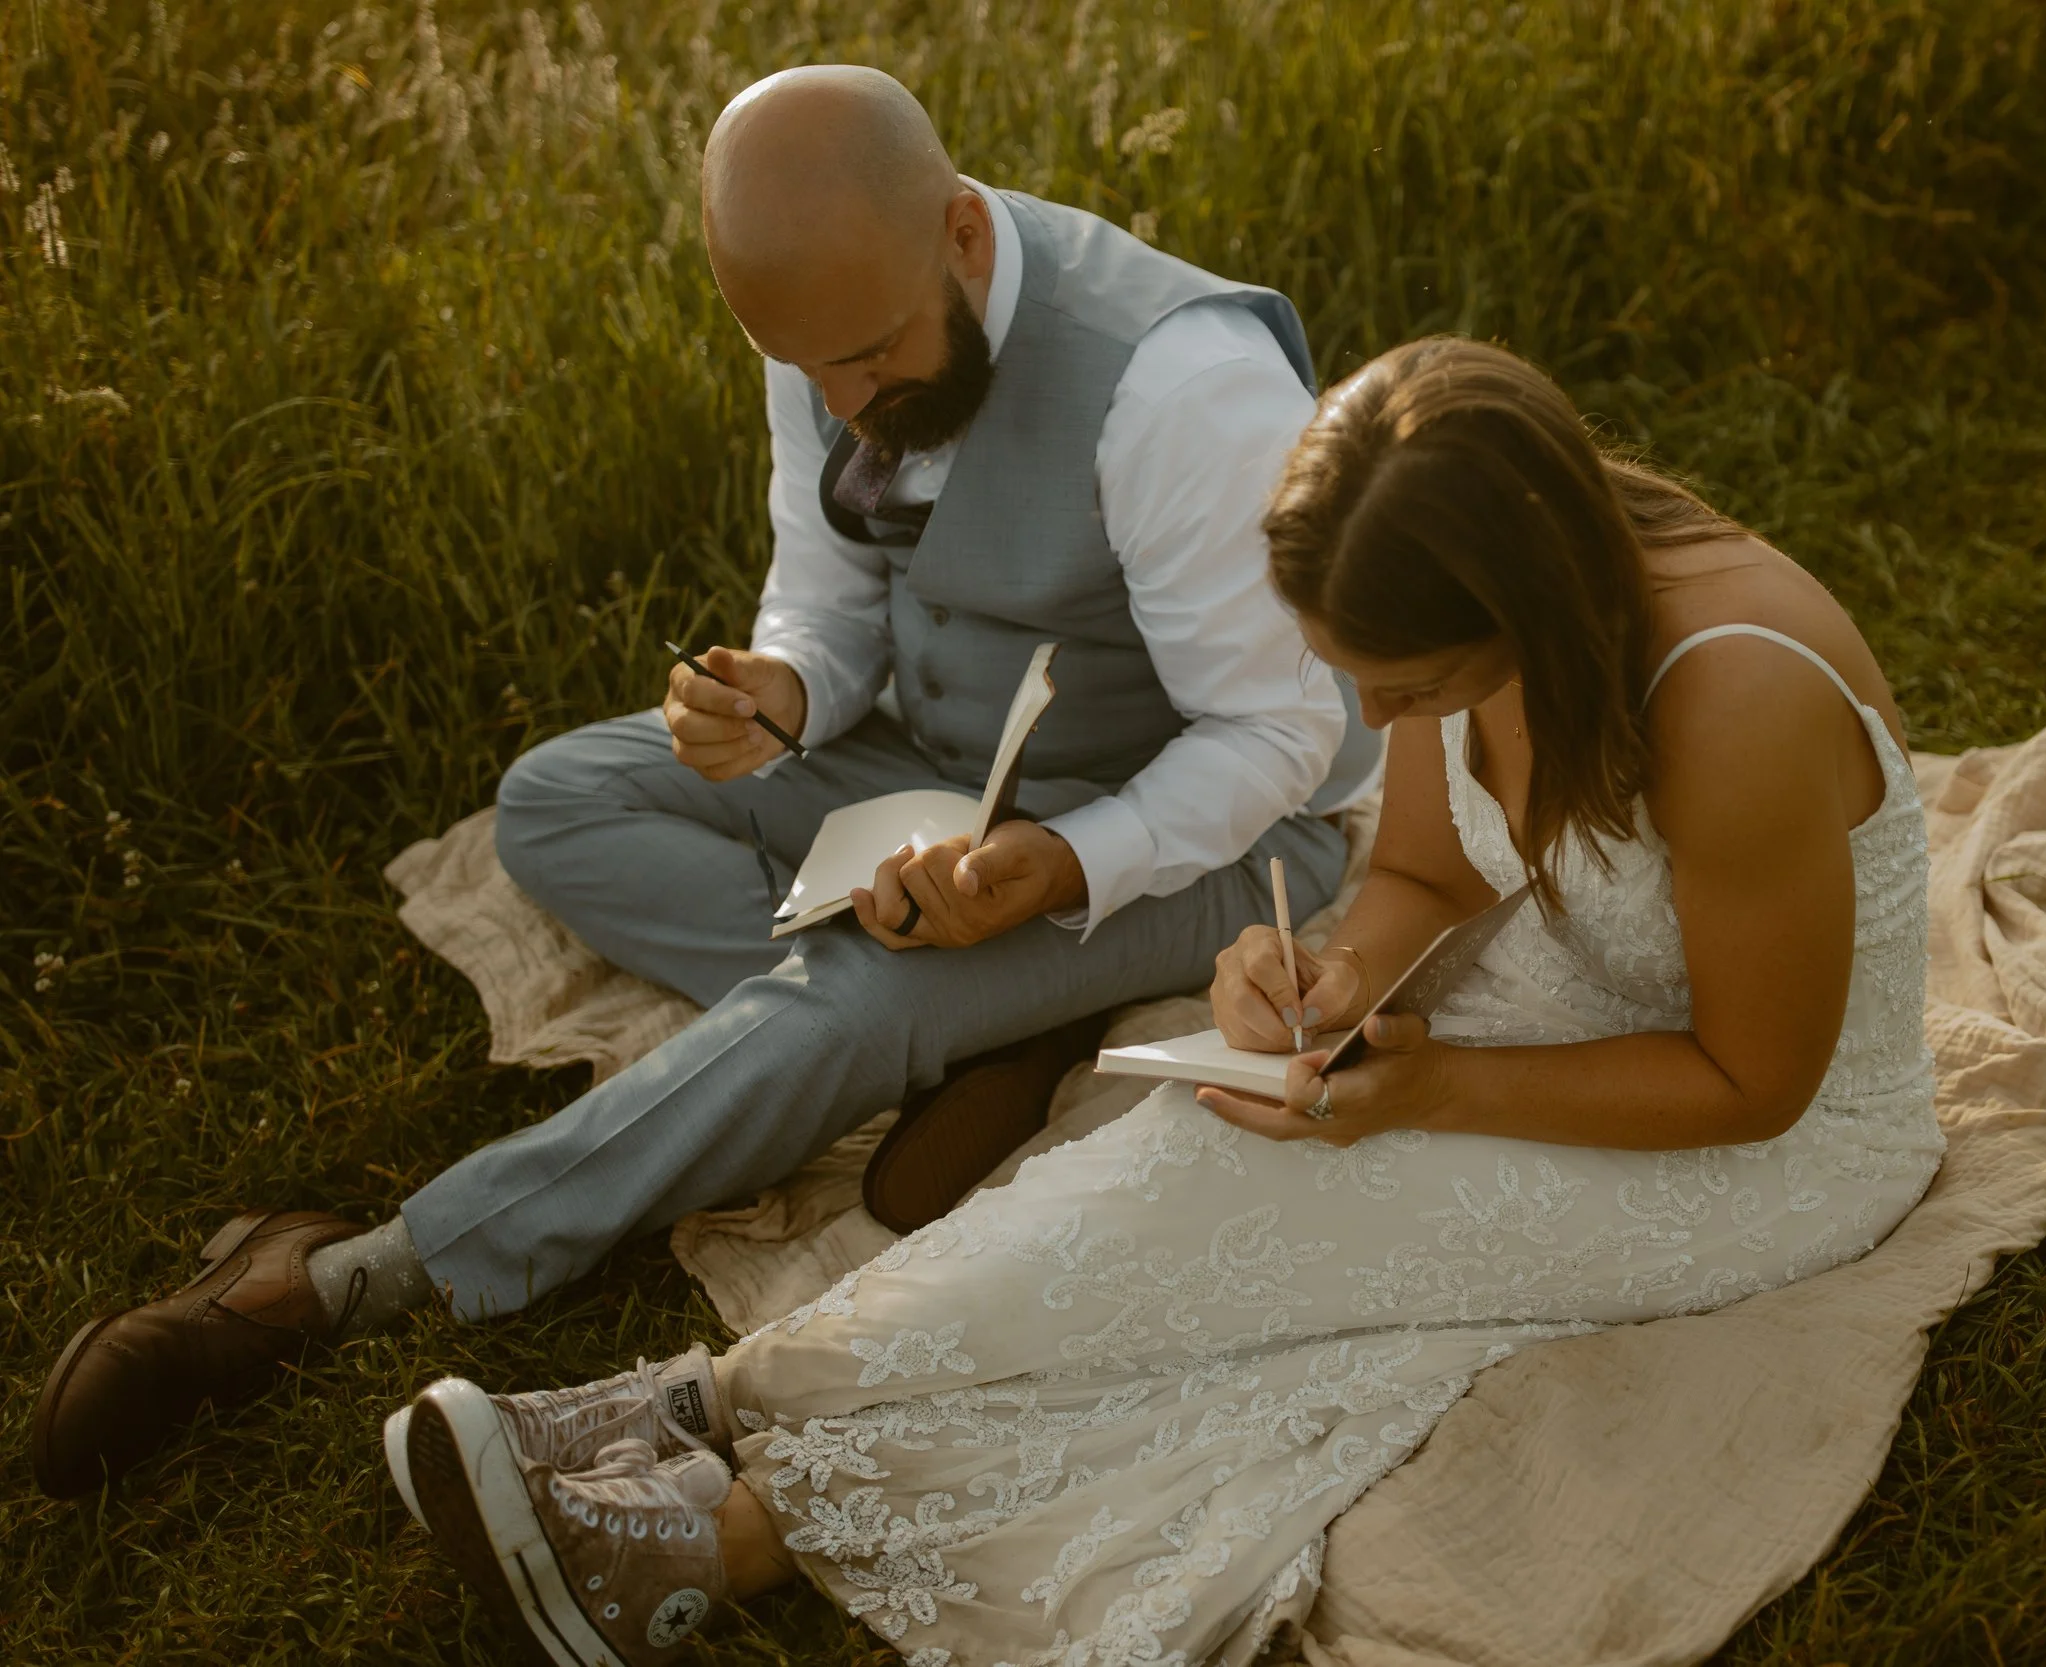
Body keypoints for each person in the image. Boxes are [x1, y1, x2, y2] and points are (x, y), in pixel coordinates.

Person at [385, 336, 1947, 1667]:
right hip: (1531, 1015)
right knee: (1176, 1162)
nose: (1387, 720)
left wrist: (1433, 1093)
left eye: (1406, 691)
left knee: (1260, 1285)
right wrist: (1327, 971)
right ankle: (710, 1423)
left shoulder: (1735, 699)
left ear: (1517, 604)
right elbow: (1417, 870)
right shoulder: (1450, 595)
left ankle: (722, 1512)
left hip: (1757, 1147)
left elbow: (1761, 1080)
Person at [28, 66, 1380, 1501]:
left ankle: (342, 1277)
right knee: (558, 800)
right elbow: (830, 588)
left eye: (867, 361)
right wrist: (782, 692)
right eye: (811, 376)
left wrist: (1061, 865)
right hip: (929, 767)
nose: (847, 409)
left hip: (1202, 829)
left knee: (849, 994)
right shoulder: (827, 316)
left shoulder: (1183, 392)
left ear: (965, 236)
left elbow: (1275, 738)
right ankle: (966, 1038)